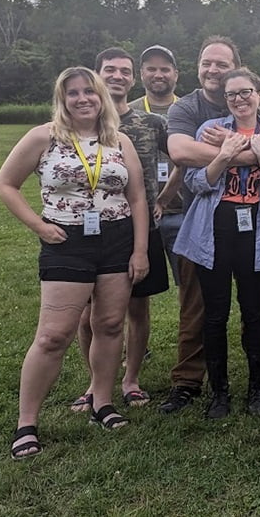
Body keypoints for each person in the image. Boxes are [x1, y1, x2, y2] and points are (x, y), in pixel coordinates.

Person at [0, 67, 149, 459]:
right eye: (73, 93)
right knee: (53, 335)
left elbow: (136, 199)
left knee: (111, 324)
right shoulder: (44, 137)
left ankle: (102, 402)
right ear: (62, 100)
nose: (83, 99)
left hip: (117, 240)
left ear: (101, 97)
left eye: (89, 92)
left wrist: (140, 250)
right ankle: (26, 423)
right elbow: (5, 184)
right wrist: (39, 227)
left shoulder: (120, 141)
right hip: (66, 240)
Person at [161, 36, 260, 414]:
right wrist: (230, 154)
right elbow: (194, 178)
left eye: (246, 93)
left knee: (256, 309)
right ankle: (217, 391)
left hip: (254, 234)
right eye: (232, 95)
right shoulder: (206, 125)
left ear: (259, 96)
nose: (239, 99)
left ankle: (258, 386)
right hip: (211, 234)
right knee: (212, 312)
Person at [72, 49, 170, 411]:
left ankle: (130, 379)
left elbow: (179, 158)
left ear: (134, 79)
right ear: (96, 75)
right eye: (109, 70)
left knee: (136, 308)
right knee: (86, 314)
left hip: (139, 228)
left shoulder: (151, 124)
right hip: (88, 232)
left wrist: (164, 196)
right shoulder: (77, 126)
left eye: (124, 71)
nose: (117, 76)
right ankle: (96, 383)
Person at [130, 45, 184, 285]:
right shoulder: (128, 112)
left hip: (184, 213)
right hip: (139, 216)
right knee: (137, 291)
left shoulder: (188, 109)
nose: (158, 74)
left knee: (191, 287)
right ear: (141, 74)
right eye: (151, 69)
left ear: (176, 74)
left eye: (165, 69)